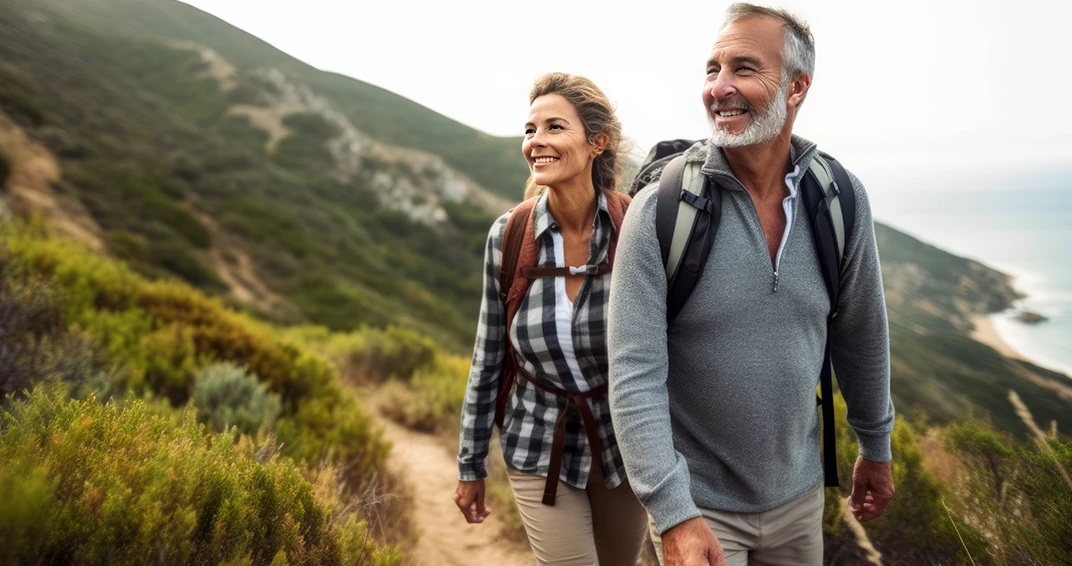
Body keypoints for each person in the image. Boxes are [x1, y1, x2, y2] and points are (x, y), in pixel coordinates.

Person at [607, 4, 896, 565]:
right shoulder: (661, 211)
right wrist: (674, 512)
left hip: (800, 502)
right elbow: (634, 373)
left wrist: (876, 446)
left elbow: (861, 334)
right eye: (712, 70)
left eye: (743, 68)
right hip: (698, 507)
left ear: (797, 87)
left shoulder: (840, 199)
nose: (720, 88)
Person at [454, 72, 649, 565]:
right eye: (529, 130)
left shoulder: (637, 230)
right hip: (538, 439)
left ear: (597, 142)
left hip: (625, 446)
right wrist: (470, 464)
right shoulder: (511, 234)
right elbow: (489, 358)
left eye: (554, 127)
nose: (535, 141)